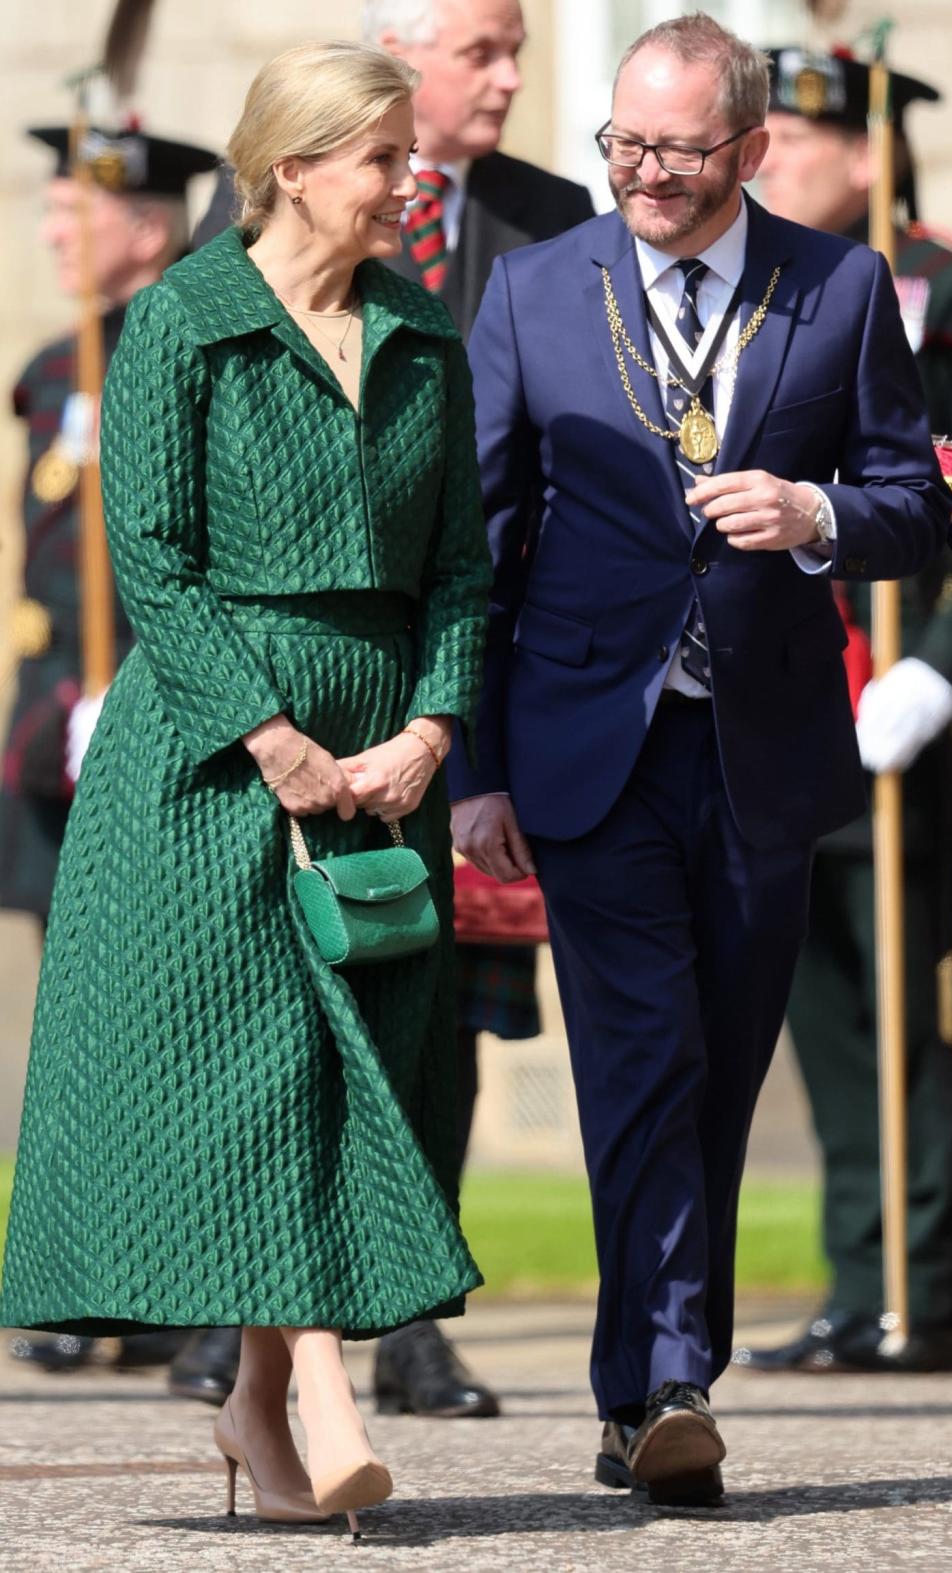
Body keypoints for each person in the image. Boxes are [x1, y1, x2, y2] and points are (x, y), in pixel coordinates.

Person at [447, 12, 952, 1506]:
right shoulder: (540, 293)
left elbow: (916, 502)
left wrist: (819, 523)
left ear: (747, 146)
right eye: (623, 144)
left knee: (721, 1067)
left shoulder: (842, 285)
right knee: (641, 1056)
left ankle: (645, 1386)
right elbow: (477, 547)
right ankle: (670, 1380)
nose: (646, 173)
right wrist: (473, 762)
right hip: (585, 747)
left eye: (676, 149)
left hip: (765, 746)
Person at [0, 41, 491, 1532]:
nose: (410, 179)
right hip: (212, 764)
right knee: (265, 1074)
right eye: (383, 156)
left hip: (381, 760)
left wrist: (433, 723)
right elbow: (149, 553)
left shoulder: (424, 331)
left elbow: (462, 568)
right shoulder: (184, 321)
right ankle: (321, 1388)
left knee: (351, 1071)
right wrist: (270, 736)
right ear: (296, 166)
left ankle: (259, 1403)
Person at [180, 0, 594, 1419]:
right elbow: (169, 535)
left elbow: (505, 510)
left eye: (520, 51)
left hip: (460, 673)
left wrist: (442, 720)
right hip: (270, 712)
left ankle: (408, 1317)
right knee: (259, 1035)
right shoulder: (208, 280)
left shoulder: (550, 218)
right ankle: (249, 1329)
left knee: (429, 1017)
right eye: (483, 51)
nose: (510, 81)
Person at [737, 47, 952, 1374]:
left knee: (909, 1010)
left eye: (797, 139)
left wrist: (936, 664)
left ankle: (926, 1287)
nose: (770, 162)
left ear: (866, 153)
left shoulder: (939, 296)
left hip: (918, 712)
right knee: (824, 1008)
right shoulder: (777, 297)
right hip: (803, 702)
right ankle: (859, 1276)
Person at [2, 121, 219, 1378]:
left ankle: (194, 1293)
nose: (47, 231)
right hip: (50, 728)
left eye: (68, 212)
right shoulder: (50, 363)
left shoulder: (176, 338)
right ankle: (103, 1284)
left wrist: (124, 683)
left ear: (144, 225)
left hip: (149, 705)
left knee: (173, 1014)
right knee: (82, 1019)